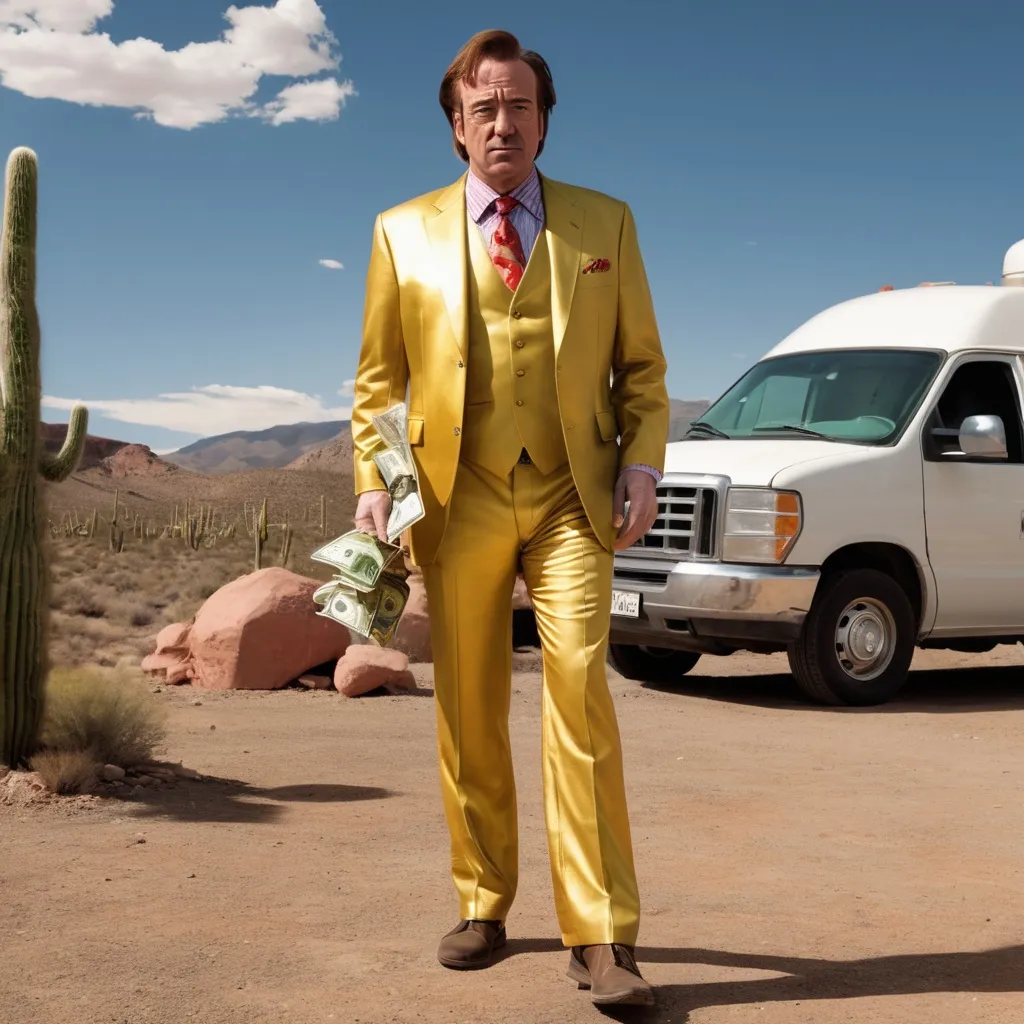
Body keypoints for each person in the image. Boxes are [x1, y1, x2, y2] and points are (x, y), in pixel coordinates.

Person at [350, 29, 669, 1007]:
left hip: (574, 492)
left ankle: (602, 932)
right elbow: (378, 387)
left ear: (544, 119)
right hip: (457, 497)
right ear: (456, 127)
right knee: (471, 707)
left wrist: (645, 464)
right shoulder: (399, 232)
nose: (503, 121)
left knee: (578, 690)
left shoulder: (602, 224)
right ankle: (483, 899)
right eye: (483, 106)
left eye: (520, 105)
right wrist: (378, 480)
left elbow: (643, 375)